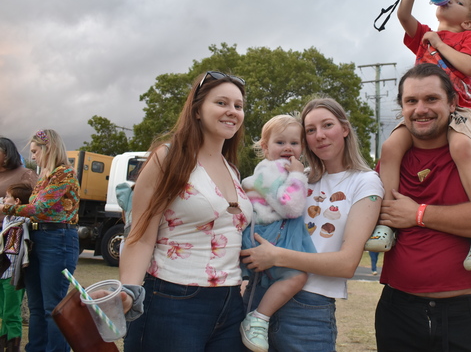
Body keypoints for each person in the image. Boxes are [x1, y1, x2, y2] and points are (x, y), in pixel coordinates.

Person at [371, 0, 471, 271]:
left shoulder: (466, 37)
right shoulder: (425, 34)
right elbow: (403, 16)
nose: (449, 0)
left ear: (468, 20)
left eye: (458, 1)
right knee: (390, 148)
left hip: (459, 110)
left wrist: (440, 44)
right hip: (421, 113)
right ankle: (386, 221)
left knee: (461, 146)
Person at [374, 64, 471, 351]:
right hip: (399, 311)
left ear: (452, 103)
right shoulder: (392, 158)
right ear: (402, 108)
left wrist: (418, 214)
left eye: (432, 99)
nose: (421, 109)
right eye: (411, 101)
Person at [119, 71, 252, 352]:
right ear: (197, 110)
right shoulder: (168, 158)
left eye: (238, 106)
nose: (232, 111)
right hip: (172, 300)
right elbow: (140, 237)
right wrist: (129, 290)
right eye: (222, 103)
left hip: (230, 304)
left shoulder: (232, 169)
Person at [241, 97, 384, 352]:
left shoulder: (365, 181)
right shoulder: (299, 177)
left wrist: (276, 256)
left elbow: (347, 264)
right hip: (258, 294)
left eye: (327, 125)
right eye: (310, 130)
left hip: (309, 309)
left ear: (345, 129)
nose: (319, 135)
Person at [240, 114, 315, 352]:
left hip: (270, 232)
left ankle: (258, 316)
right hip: (269, 234)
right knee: (296, 276)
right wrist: (298, 175)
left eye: (294, 143)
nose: (287, 148)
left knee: (287, 277)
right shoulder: (271, 170)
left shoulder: (279, 169)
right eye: (280, 142)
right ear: (265, 147)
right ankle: (258, 319)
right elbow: (291, 207)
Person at [1, 129, 80, 352]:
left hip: (57, 239)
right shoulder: (45, 176)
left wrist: (6, 208)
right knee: (36, 307)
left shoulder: (64, 174)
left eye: (35, 151)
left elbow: (40, 208)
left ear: (49, 149)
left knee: (52, 307)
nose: (32, 156)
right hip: (37, 239)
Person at [0, 183, 32, 352]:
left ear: (17, 202)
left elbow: (13, 249)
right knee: (3, 312)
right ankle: (3, 342)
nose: (4, 200)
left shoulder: (23, 221)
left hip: (13, 275)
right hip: (3, 273)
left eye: (7, 197)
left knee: (11, 313)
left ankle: (13, 346)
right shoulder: (8, 219)